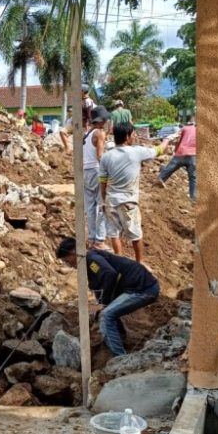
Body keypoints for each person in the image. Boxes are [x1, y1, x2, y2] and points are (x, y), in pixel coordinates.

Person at [56, 237, 160, 355]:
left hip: (142, 288)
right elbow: (103, 282)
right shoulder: (90, 261)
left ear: (74, 252)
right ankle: (120, 339)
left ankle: (120, 357)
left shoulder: (92, 260)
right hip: (138, 286)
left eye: (68, 261)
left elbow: (109, 274)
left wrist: (103, 303)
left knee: (106, 315)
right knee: (108, 311)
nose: (70, 265)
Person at [98, 122, 171, 263]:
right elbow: (158, 151)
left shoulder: (107, 156)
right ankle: (139, 264)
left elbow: (103, 181)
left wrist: (103, 199)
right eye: (133, 134)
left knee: (114, 234)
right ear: (127, 136)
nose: (135, 136)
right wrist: (167, 140)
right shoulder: (137, 151)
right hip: (128, 202)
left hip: (111, 200)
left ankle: (119, 262)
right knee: (136, 235)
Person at [83, 105, 110, 249]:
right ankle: (99, 241)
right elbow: (100, 156)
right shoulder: (99, 133)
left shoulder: (87, 134)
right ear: (101, 120)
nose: (106, 122)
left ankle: (92, 238)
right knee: (101, 205)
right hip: (95, 171)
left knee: (90, 207)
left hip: (85, 172)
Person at [158, 118, 197, 202]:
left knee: (168, 169)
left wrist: (167, 139)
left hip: (181, 153)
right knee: (193, 178)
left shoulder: (185, 128)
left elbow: (175, 137)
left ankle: (157, 183)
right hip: (193, 155)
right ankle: (193, 199)